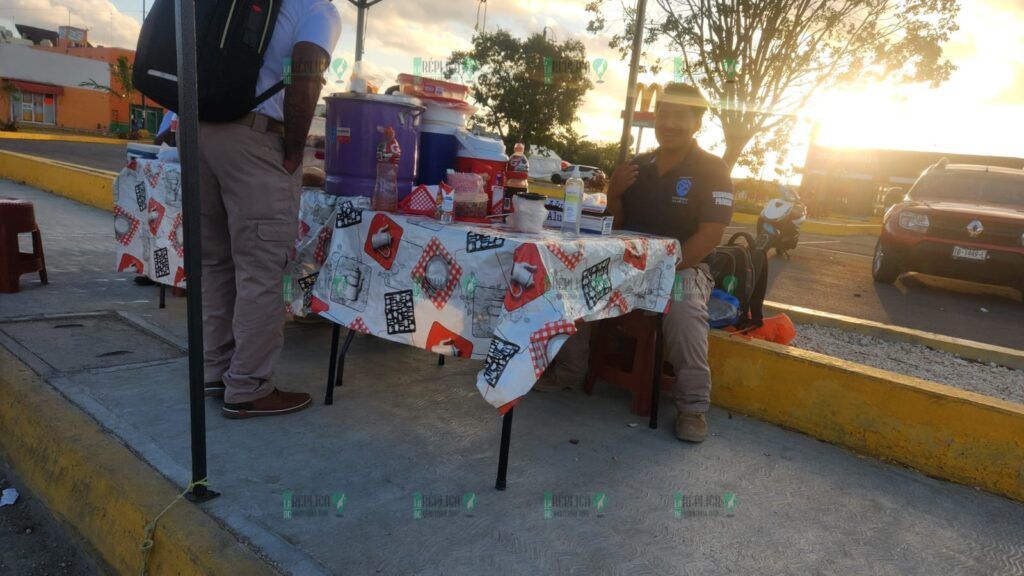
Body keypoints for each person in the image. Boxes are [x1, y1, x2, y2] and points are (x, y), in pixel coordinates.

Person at [553, 82, 734, 443]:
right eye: (663, 114)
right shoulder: (637, 165)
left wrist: (667, 267)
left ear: (697, 122)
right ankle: (569, 372)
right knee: (574, 282)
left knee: (684, 312)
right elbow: (614, 226)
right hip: (627, 265)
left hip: (684, 267)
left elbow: (710, 235)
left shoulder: (713, 169)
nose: (669, 123)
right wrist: (615, 193)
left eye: (680, 115)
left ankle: (693, 408)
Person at [200, 0, 341, 419]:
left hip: (203, 132)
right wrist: (295, 152)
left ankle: (215, 369)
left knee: (217, 263)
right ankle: (248, 387)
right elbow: (306, 69)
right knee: (263, 270)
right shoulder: (318, 9)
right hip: (257, 139)